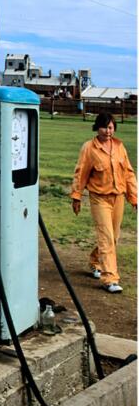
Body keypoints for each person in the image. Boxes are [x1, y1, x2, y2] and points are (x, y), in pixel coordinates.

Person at [70, 112, 138, 293]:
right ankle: (110, 279)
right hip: (99, 198)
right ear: (97, 127)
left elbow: (129, 173)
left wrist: (134, 196)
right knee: (107, 237)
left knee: (113, 238)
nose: (107, 131)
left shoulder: (119, 147)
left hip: (118, 198)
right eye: (104, 127)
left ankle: (94, 261)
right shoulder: (89, 148)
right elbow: (81, 172)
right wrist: (76, 196)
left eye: (110, 127)